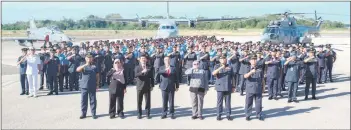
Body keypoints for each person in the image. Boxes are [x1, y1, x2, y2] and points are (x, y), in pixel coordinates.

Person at [212, 55, 234, 121]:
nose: (223, 60)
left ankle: (228, 115)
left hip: (228, 86)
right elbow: (213, 73)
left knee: (228, 102)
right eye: (221, 59)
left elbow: (232, 77)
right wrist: (221, 67)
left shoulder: (230, 66)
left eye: (224, 58)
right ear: (219, 60)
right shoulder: (217, 66)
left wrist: (233, 86)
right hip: (220, 86)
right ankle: (219, 115)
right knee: (219, 102)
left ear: (226, 59)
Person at [76, 54, 98, 119]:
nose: (89, 59)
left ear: (92, 58)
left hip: (92, 85)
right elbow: (77, 70)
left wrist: (97, 84)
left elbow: (97, 75)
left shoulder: (94, 66)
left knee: (93, 100)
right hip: (84, 86)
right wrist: (85, 64)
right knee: (83, 101)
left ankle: (93, 113)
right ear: (86, 58)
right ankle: (83, 113)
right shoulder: (83, 65)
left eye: (90, 58)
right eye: (88, 58)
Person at [243, 54, 264, 121]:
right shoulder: (247, 68)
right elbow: (245, 76)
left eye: (255, 59)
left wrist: (263, 87)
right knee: (249, 102)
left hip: (258, 88)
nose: (254, 61)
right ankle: (248, 115)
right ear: (250, 61)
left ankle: (259, 114)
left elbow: (262, 78)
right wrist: (251, 72)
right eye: (252, 60)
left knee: (259, 103)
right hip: (250, 88)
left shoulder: (260, 69)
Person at [135, 54, 154, 119]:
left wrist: (152, 85)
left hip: (147, 86)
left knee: (148, 101)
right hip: (139, 87)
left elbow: (152, 77)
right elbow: (135, 75)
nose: (143, 60)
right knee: (139, 101)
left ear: (146, 60)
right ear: (140, 60)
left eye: (144, 58)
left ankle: (147, 113)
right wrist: (142, 72)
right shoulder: (137, 67)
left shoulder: (149, 67)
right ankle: (139, 113)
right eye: (142, 58)